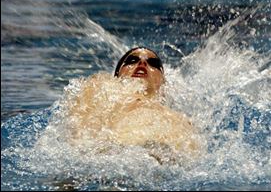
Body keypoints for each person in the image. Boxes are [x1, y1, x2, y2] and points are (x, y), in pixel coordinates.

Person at [64, 47, 203, 164]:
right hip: (108, 159)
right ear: (117, 75)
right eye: (132, 60)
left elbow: (189, 162)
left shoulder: (181, 120)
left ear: (163, 82)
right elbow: (78, 138)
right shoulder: (99, 87)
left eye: (153, 63)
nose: (142, 63)